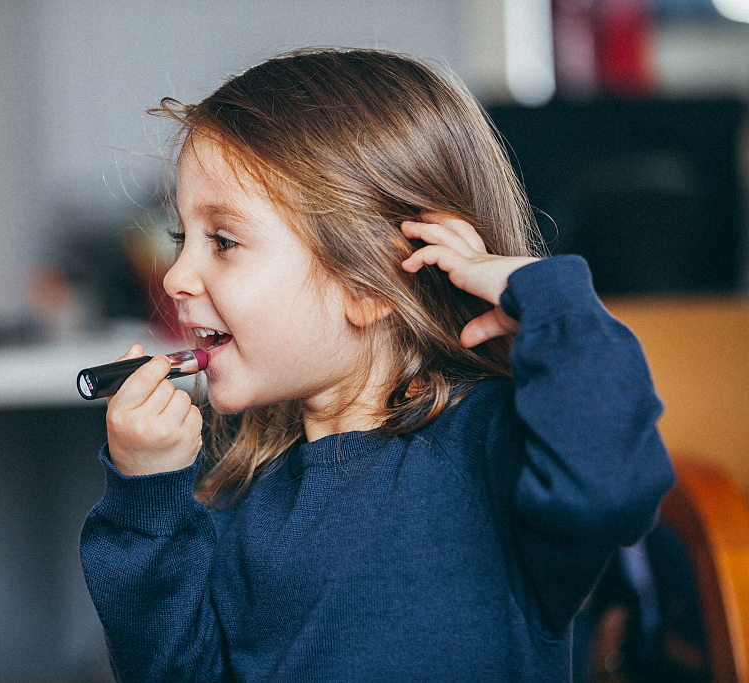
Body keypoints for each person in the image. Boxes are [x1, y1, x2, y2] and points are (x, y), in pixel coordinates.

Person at [78, 48, 675, 682]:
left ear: (371, 285)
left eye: (223, 242)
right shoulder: (239, 496)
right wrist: (147, 495)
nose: (175, 277)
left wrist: (549, 298)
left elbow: (613, 489)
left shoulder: (498, 453)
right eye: (181, 239)